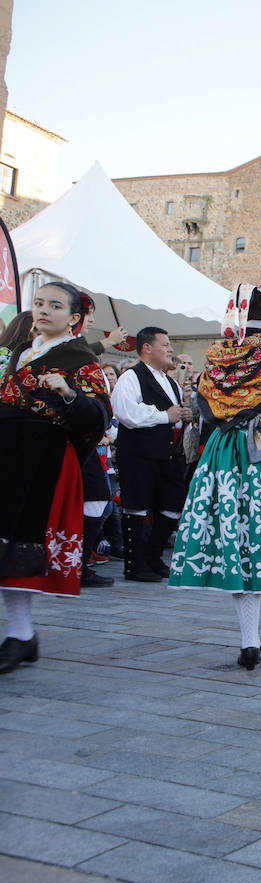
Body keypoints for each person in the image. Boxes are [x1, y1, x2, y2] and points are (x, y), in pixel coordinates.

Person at [168, 285, 261, 670]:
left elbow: (204, 403)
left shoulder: (218, 354)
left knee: (239, 537)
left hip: (225, 448)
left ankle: (251, 640)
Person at [0, 285, 112, 673]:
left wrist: (68, 394)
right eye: (39, 303)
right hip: (8, 455)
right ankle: (19, 634)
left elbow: (99, 414)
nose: (44, 311)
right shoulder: (21, 352)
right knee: (6, 542)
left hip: (43, 458)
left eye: (55, 305)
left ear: (74, 317)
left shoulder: (79, 359)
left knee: (22, 541)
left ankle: (20, 634)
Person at [110, 325, 193, 582]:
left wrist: (183, 417)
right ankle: (135, 565)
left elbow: (174, 418)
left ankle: (153, 555)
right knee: (136, 506)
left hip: (166, 455)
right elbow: (126, 413)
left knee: (173, 505)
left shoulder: (170, 382)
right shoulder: (131, 377)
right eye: (165, 344)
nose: (170, 350)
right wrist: (164, 416)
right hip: (138, 453)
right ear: (147, 348)